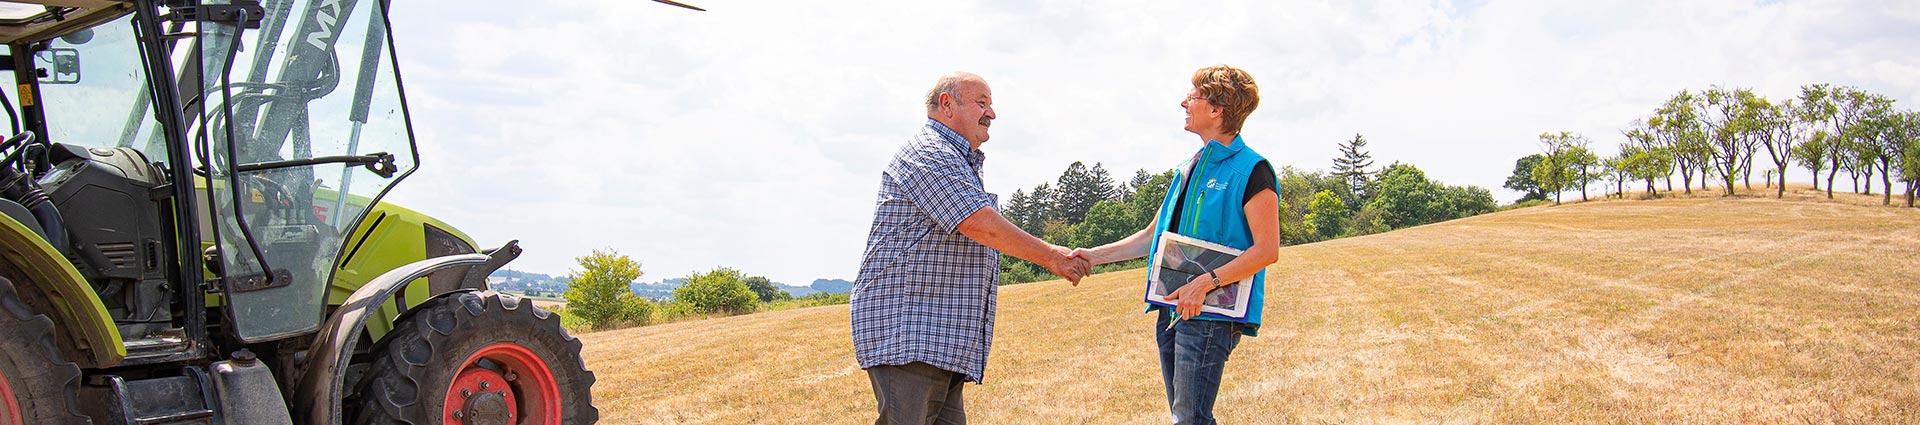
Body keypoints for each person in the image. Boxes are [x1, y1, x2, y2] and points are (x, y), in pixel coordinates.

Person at [851, 71, 1091, 424]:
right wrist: (1052, 257)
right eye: (982, 103)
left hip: (933, 339)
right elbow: (978, 223)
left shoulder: (953, 157)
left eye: (990, 105)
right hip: (911, 335)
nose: (991, 113)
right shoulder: (928, 153)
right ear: (947, 104)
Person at [1070, 65, 1280, 425]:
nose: (1184, 102)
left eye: (1193, 97)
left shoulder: (1253, 170)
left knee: (1190, 419)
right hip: (1171, 309)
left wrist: (1203, 283)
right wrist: (1092, 256)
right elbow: (1154, 237)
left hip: (1210, 313)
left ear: (1217, 110)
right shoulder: (1188, 168)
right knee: (1185, 418)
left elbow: (1266, 250)